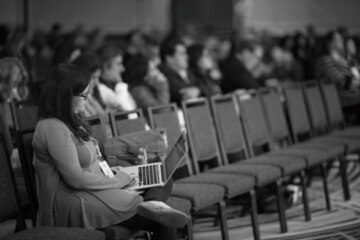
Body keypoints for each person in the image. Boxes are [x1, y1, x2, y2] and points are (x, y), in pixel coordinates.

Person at [32, 63, 189, 240]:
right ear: (64, 95)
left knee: (161, 176)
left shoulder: (71, 120)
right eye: (84, 95)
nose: (88, 99)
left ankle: (152, 204)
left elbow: (93, 161)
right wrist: (118, 180)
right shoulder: (52, 126)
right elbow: (75, 178)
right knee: (161, 221)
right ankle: (153, 206)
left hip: (95, 188)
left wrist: (113, 170)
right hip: (75, 199)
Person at [159, 39, 201, 106]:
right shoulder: (163, 74)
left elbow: (201, 86)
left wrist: (197, 90)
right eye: (181, 54)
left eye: (185, 53)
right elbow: (182, 94)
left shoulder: (188, 71)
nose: (186, 57)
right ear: (169, 58)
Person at [96, 44, 137, 111]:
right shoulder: (100, 89)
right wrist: (121, 86)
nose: (123, 69)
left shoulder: (112, 86)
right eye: (118, 64)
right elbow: (129, 114)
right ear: (105, 67)